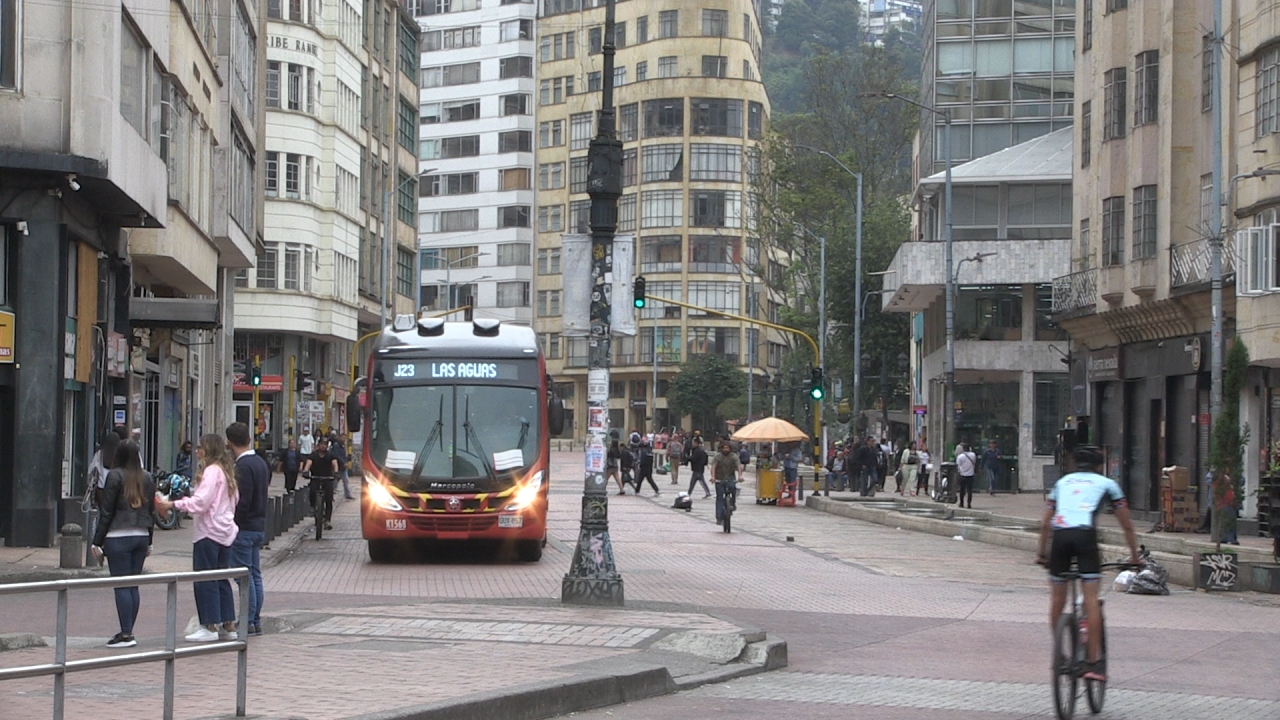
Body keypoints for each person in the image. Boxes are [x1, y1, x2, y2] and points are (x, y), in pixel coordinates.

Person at [1036, 445, 1140, 683]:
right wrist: (1134, 556)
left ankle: (1060, 654)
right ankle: (1093, 663)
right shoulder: (1107, 484)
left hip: (1060, 539)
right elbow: (1127, 525)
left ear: (1074, 464)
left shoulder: (1062, 483)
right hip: (1085, 537)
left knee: (1057, 600)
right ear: (1099, 466)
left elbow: (1044, 524)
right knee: (1090, 598)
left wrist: (1042, 554)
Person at [157, 434, 239, 643]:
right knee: (221, 578)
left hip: (208, 532)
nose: (196, 451)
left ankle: (209, 624)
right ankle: (228, 624)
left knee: (204, 578)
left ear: (208, 450)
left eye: (200, 448)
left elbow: (201, 502)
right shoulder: (226, 472)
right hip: (224, 531)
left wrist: (175, 504)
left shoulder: (211, 472)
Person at [91, 440, 155, 649]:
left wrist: (97, 541)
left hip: (118, 536)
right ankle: (128, 629)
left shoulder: (115, 475)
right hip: (141, 535)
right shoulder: (147, 477)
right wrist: (150, 541)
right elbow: (150, 511)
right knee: (133, 585)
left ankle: (126, 634)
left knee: (121, 585)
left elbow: (107, 511)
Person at [227, 422, 269, 637]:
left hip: (244, 528)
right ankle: (255, 619)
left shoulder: (243, 466)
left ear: (229, 442)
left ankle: (248, 620)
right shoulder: (260, 463)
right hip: (258, 525)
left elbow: (242, 501)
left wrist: (233, 522)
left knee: (244, 576)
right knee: (254, 575)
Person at [304, 438, 340, 530]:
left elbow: (334, 463)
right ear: (318, 445)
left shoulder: (330, 455)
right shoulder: (314, 455)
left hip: (327, 479)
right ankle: (312, 507)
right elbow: (309, 463)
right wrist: (306, 471)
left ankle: (327, 520)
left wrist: (336, 472)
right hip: (315, 478)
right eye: (322, 444)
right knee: (312, 490)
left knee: (329, 499)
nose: (323, 446)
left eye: (325, 444)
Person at [712, 441, 744, 525]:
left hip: (730, 478)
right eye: (724, 448)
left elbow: (738, 466)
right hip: (719, 479)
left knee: (732, 488)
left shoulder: (734, 456)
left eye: (727, 448)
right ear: (721, 448)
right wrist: (713, 477)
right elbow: (713, 467)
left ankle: (732, 503)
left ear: (730, 449)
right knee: (719, 498)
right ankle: (719, 517)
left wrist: (740, 476)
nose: (725, 450)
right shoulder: (717, 456)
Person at [330, 433, 354, 500]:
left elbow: (343, 455)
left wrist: (346, 461)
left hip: (343, 467)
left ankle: (347, 494)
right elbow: (336, 455)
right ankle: (330, 495)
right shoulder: (336, 445)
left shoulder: (342, 446)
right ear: (339, 437)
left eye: (345, 438)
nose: (344, 440)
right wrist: (343, 462)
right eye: (343, 438)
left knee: (345, 480)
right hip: (337, 466)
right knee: (335, 482)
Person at [956, 443, 978, 509]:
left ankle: (961, 503)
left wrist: (960, 471)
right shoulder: (973, 455)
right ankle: (969, 504)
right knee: (969, 490)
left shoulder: (960, 456)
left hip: (962, 475)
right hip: (970, 475)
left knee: (962, 490)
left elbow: (958, 466)